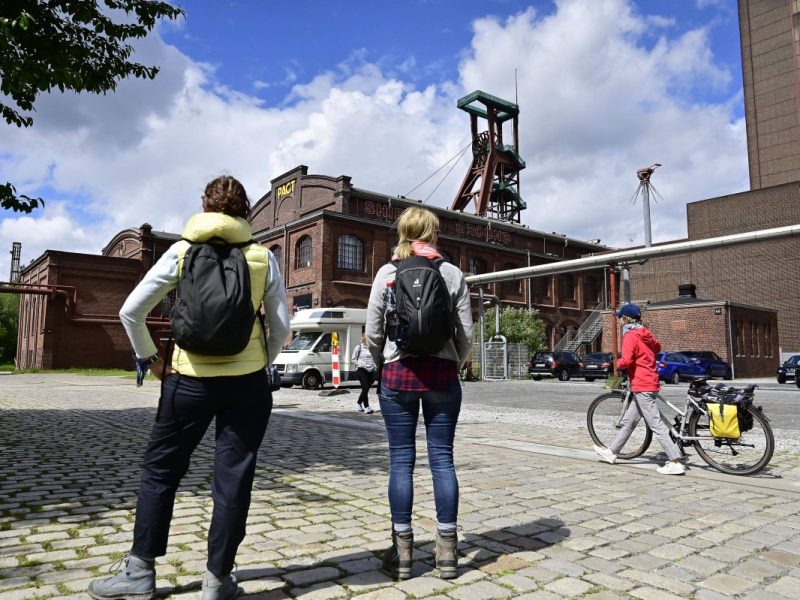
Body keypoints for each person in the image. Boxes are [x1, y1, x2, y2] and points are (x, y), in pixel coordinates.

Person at [88, 175, 291, 600]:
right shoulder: (261, 256)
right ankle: (218, 580)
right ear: (244, 212)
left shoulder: (182, 251)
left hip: (187, 381)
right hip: (247, 385)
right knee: (233, 478)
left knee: (161, 471)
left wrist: (153, 361)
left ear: (205, 206)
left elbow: (131, 311)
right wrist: (260, 362)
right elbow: (282, 327)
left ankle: (140, 572)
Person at [365, 207, 474, 580]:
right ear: (434, 233)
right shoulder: (452, 273)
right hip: (442, 377)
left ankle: (403, 553)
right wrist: (454, 364)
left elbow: (373, 332)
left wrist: (383, 366)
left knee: (401, 462)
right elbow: (466, 335)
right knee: (442, 461)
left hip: (399, 376)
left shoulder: (387, 273)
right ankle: (446, 553)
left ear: (404, 233)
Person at [593, 303, 685, 476]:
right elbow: (657, 347)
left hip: (642, 385)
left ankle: (675, 461)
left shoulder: (630, 336)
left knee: (655, 424)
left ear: (625, 319)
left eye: (620, 317)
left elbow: (626, 360)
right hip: (648, 382)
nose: (619, 320)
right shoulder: (645, 333)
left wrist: (615, 365)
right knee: (630, 421)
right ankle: (612, 452)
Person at [352, 335, 376, 414]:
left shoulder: (372, 348)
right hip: (361, 369)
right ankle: (366, 407)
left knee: (367, 388)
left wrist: (374, 366)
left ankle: (359, 403)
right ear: (364, 339)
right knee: (365, 387)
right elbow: (353, 359)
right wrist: (360, 364)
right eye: (367, 339)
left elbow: (374, 358)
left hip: (371, 370)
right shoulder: (359, 347)